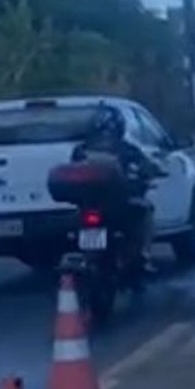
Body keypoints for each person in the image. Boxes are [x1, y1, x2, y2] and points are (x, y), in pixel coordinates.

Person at [72, 106, 165, 276]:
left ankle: (89, 258)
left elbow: (72, 169)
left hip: (89, 204)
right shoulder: (126, 149)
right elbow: (148, 167)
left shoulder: (81, 150)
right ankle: (143, 255)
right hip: (119, 204)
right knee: (145, 213)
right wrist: (153, 173)